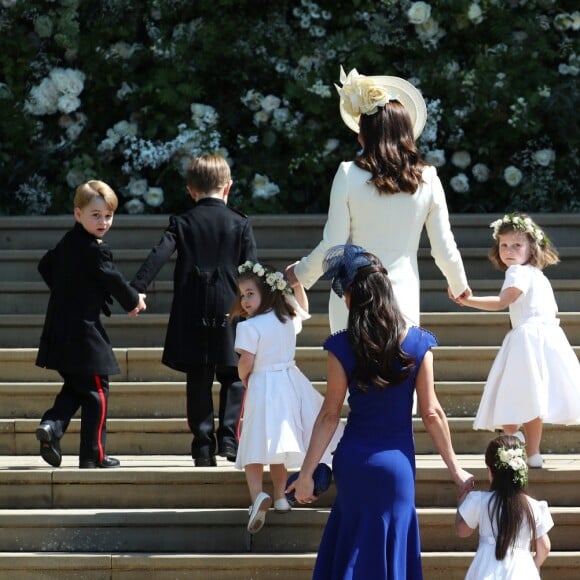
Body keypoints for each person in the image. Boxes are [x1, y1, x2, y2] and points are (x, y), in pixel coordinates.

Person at [288, 244, 473, 579]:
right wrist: (456, 470)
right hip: (397, 465)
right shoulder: (419, 342)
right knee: (392, 551)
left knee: (353, 550)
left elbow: (330, 415)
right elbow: (431, 413)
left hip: (354, 460)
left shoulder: (341, 345)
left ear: (350, 299)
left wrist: (305, 474)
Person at [286, 66, 470, 333]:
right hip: (401, 295)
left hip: (351, 294)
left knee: (349, 372)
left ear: (365, 133)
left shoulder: (347, 173)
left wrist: (301, 272)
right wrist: (459, 284)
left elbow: (333, 244)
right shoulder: (428, 177)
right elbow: (443, 246)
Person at [130, 154, 257, 467]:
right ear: (227, 187)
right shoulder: (239, 222)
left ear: (190, 190)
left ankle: (202, 447)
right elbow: (251, 268)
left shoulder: (182, 222)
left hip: (193, 308)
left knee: (199, 377)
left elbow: (159, 253)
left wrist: (137, 287)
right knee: (234, 375)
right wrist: (260, 304)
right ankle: (229, 438)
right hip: (232, 309)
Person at [35, 180, 147, 469]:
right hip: (82, 331)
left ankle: (51, 426)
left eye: (108, 215)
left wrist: (68, 292)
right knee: (98, 390)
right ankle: (93, 455)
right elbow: (113, 279)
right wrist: (134, 301)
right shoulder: (95, 250)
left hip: (59, 330)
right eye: (95, 215)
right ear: (78, 213)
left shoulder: (68, 242)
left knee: (77, 385)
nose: (103, 221)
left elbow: (45, 266)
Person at [457, 213, 580, 468]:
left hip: (526, 340)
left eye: (517, 245)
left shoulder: (517, 272)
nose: (509, 251)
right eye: (504, 245)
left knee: (511, 393)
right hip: (546, 339)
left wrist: (467, 300)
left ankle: (513, 443)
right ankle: (532, 453)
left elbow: (503, 302)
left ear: (531, 248)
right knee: (534, 397)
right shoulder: (539, 275)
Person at [230, 261, 343, 534]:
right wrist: (296, 283)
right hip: (289, 383)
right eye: (242, 294)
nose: (244, 300)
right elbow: (302, 306)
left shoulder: (249, 327)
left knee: (256, 441)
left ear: (266, 293)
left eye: (250, 293)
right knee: (278, 442)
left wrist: (244, 376)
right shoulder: (286, 317)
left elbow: (246, 360)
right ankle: (280, 497)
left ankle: (258, 495)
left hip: (262, 383)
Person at [456, 434, 554, 578]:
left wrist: (462, 501)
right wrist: (535, 564)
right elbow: (544, 547)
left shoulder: (479, 500)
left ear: (489, 471)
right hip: (522, 570)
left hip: (486, 568)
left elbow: (462, 530)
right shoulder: (534, 506)